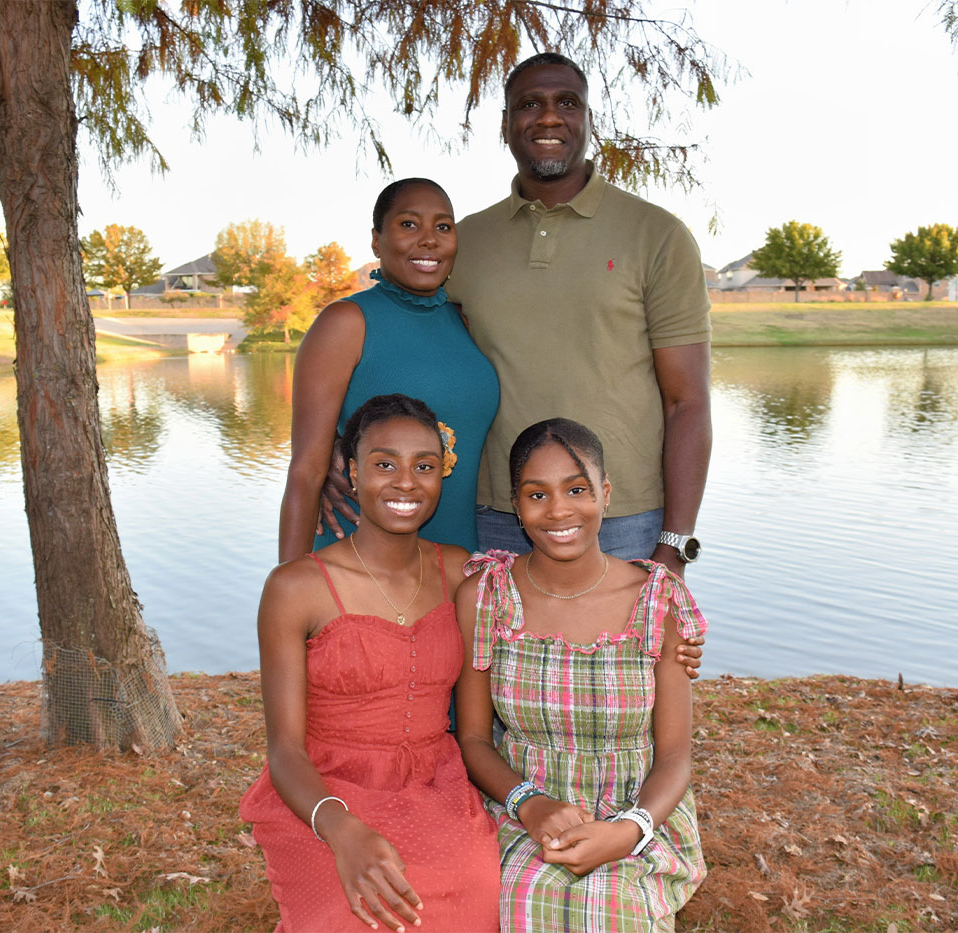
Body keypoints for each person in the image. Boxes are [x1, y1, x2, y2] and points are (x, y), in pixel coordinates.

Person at [446, 52, 713, 578]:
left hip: (624, 519)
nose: (549, 117)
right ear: (506, 124)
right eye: (530, 104)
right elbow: (423, 362)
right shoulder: (466, 241)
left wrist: (675, 545)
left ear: (589, 120)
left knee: (631, 663)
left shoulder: (656, 235)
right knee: (492, 664)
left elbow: (688, 401)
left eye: (567, 103)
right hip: (494, 516)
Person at [241, 394, 501, 932]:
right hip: (322, 792)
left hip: (436, 785)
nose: (405, 482)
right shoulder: (295, 587)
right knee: (351, 917)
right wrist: (343, 831)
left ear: (441, 478)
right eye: (385, 464)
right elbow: (284, 750)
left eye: (423, 466)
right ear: (352, 473)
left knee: (472, 902)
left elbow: (555, 597)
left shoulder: (462, 573)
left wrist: (663, 629)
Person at [455, 418, 707, 932]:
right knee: (516, 904)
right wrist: (529, 804)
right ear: (516, 505)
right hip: (521, 803)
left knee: (609, 913)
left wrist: (629, 830)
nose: (559, 510)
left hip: (640, 809)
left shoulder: (657, 600)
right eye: (537, 494)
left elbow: (676, 755)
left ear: (606, 493)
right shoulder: (486, 597)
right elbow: (476, 739)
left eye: (577, 489)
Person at [279, 178, 499, 561]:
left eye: (443, 227)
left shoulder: (462, 321)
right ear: (377, 240)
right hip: (358, 563)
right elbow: (306, 472)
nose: (428, 239)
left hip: (454, 564)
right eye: (409, 224)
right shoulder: (346, 321)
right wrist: (286, 591)